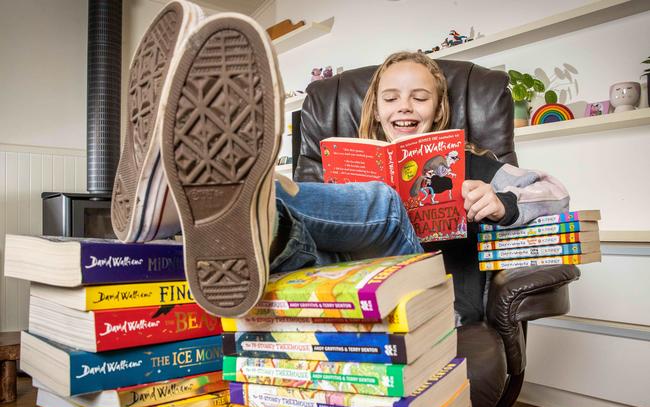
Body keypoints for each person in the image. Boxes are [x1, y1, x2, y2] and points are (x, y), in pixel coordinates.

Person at [112, 3, 569, 324]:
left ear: (439, 109)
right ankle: (249, 217)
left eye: (419, 97)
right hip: (344, 291)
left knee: (383, 200)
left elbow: (556, 194)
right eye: (391, 97)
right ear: (375, 106)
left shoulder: (473, 164)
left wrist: (502, 201)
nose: (404, 107)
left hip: (430, 304)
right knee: (305, 239)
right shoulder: (350, 163)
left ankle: (216, 202)